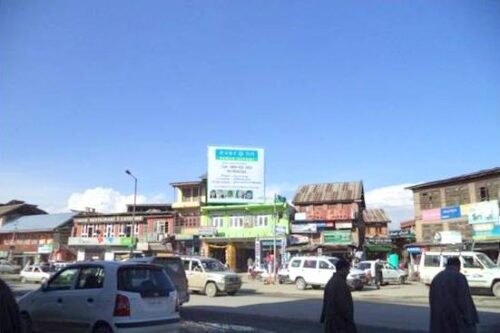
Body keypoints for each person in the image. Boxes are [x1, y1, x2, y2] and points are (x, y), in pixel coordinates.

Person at [429, 257, 479, 333]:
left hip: (438, 318)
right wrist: (470, 318)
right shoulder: (459, 277)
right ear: (458, 266)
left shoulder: (437, 277)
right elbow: (465, 300)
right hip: (455, 319)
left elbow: (432, 299)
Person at [320, 258, 357, 333]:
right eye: (347, 269)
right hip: (339, 323)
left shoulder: (334, 281)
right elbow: (344, 306)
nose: (349, 272)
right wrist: (349, 322)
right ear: (342, 269)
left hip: (333, 322)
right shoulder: (339, 284)